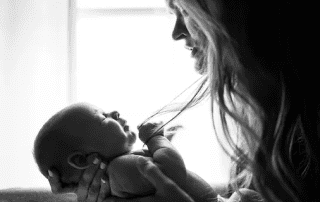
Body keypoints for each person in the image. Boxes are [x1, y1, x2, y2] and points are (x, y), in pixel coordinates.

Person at [47, 0, 320, 202]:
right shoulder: (260, 122)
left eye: (186, 12)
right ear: (83, 158)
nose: (176, 32)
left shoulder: (306, 130)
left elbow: (171, 174)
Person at [35, 102, 216, 201]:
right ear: (82, 160)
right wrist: (156, 139)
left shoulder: (118, 172)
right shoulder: (119, 169)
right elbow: (172, 174)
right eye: (103, 117)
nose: (115, 112)